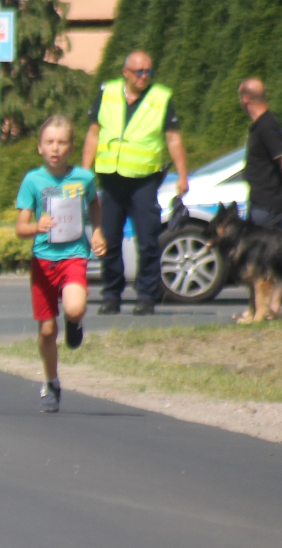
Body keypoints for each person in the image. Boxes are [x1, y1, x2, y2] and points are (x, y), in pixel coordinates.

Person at [81, 50, 188, 316]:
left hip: (143, 181)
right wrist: (84, 173)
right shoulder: (107, 92)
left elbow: (173, 138)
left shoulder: (161, 98)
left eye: (148, 71)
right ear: (126, 72)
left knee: (148, 241)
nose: (144, 76)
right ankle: (111, 296)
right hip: (111, 180)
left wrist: (183, 176)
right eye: (139, 72)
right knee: (109, 240)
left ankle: (146, 297)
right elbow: (93, 134)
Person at [16, 116, 106, 413]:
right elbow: (21, 227)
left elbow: (94, 203)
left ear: (71, 146)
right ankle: (51, 382)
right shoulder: (33, 180)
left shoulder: (83, 178)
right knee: (45, 332)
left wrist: (96, 231)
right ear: (40, 147)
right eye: (49, 142)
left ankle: (74, 321)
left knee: (75, 307)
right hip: (43, 261)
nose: (55, 148)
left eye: (62, 142)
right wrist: (37, 226)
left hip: (73, 256)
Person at [235, 78, 282, 322]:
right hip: (265, 200)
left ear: (245, 99)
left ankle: (259, 311)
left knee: (257, 263)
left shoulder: (266, 126)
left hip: (268, 203)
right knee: (275, 262)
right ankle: (270, 309)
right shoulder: (261, 125)